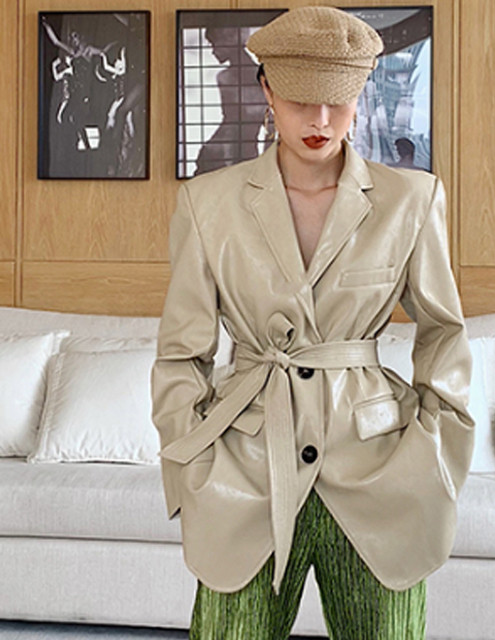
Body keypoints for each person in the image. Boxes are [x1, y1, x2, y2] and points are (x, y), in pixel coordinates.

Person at [150, 6, 475, 640]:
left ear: (361, 94)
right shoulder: (207, 204)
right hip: (245, 468)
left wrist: (435, 454)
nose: (320, 120)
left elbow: (445, 334)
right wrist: (195, 463)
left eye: (337, 100)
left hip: (380, 469)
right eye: (301, 100)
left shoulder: (411, 200)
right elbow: (181, 353)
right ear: (267, 91)